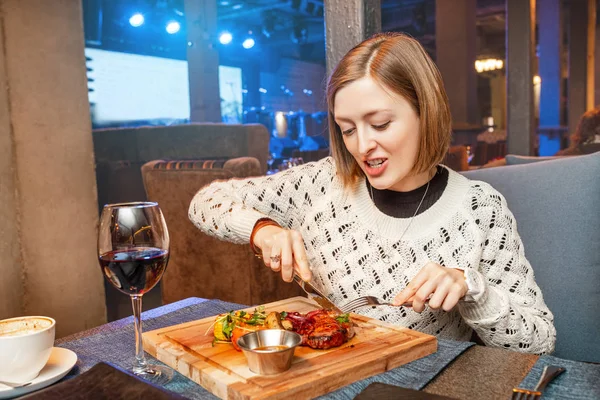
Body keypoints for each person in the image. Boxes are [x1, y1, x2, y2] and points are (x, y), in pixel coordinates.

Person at [189, 32, 556, 354]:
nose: (362, 146)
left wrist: (472, 288)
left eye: (379, 124)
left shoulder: (479, 207)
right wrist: (262, 229)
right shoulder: (323, 183)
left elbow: (539, 341)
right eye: (347, 130)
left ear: (425, 113)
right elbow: (206, 201)